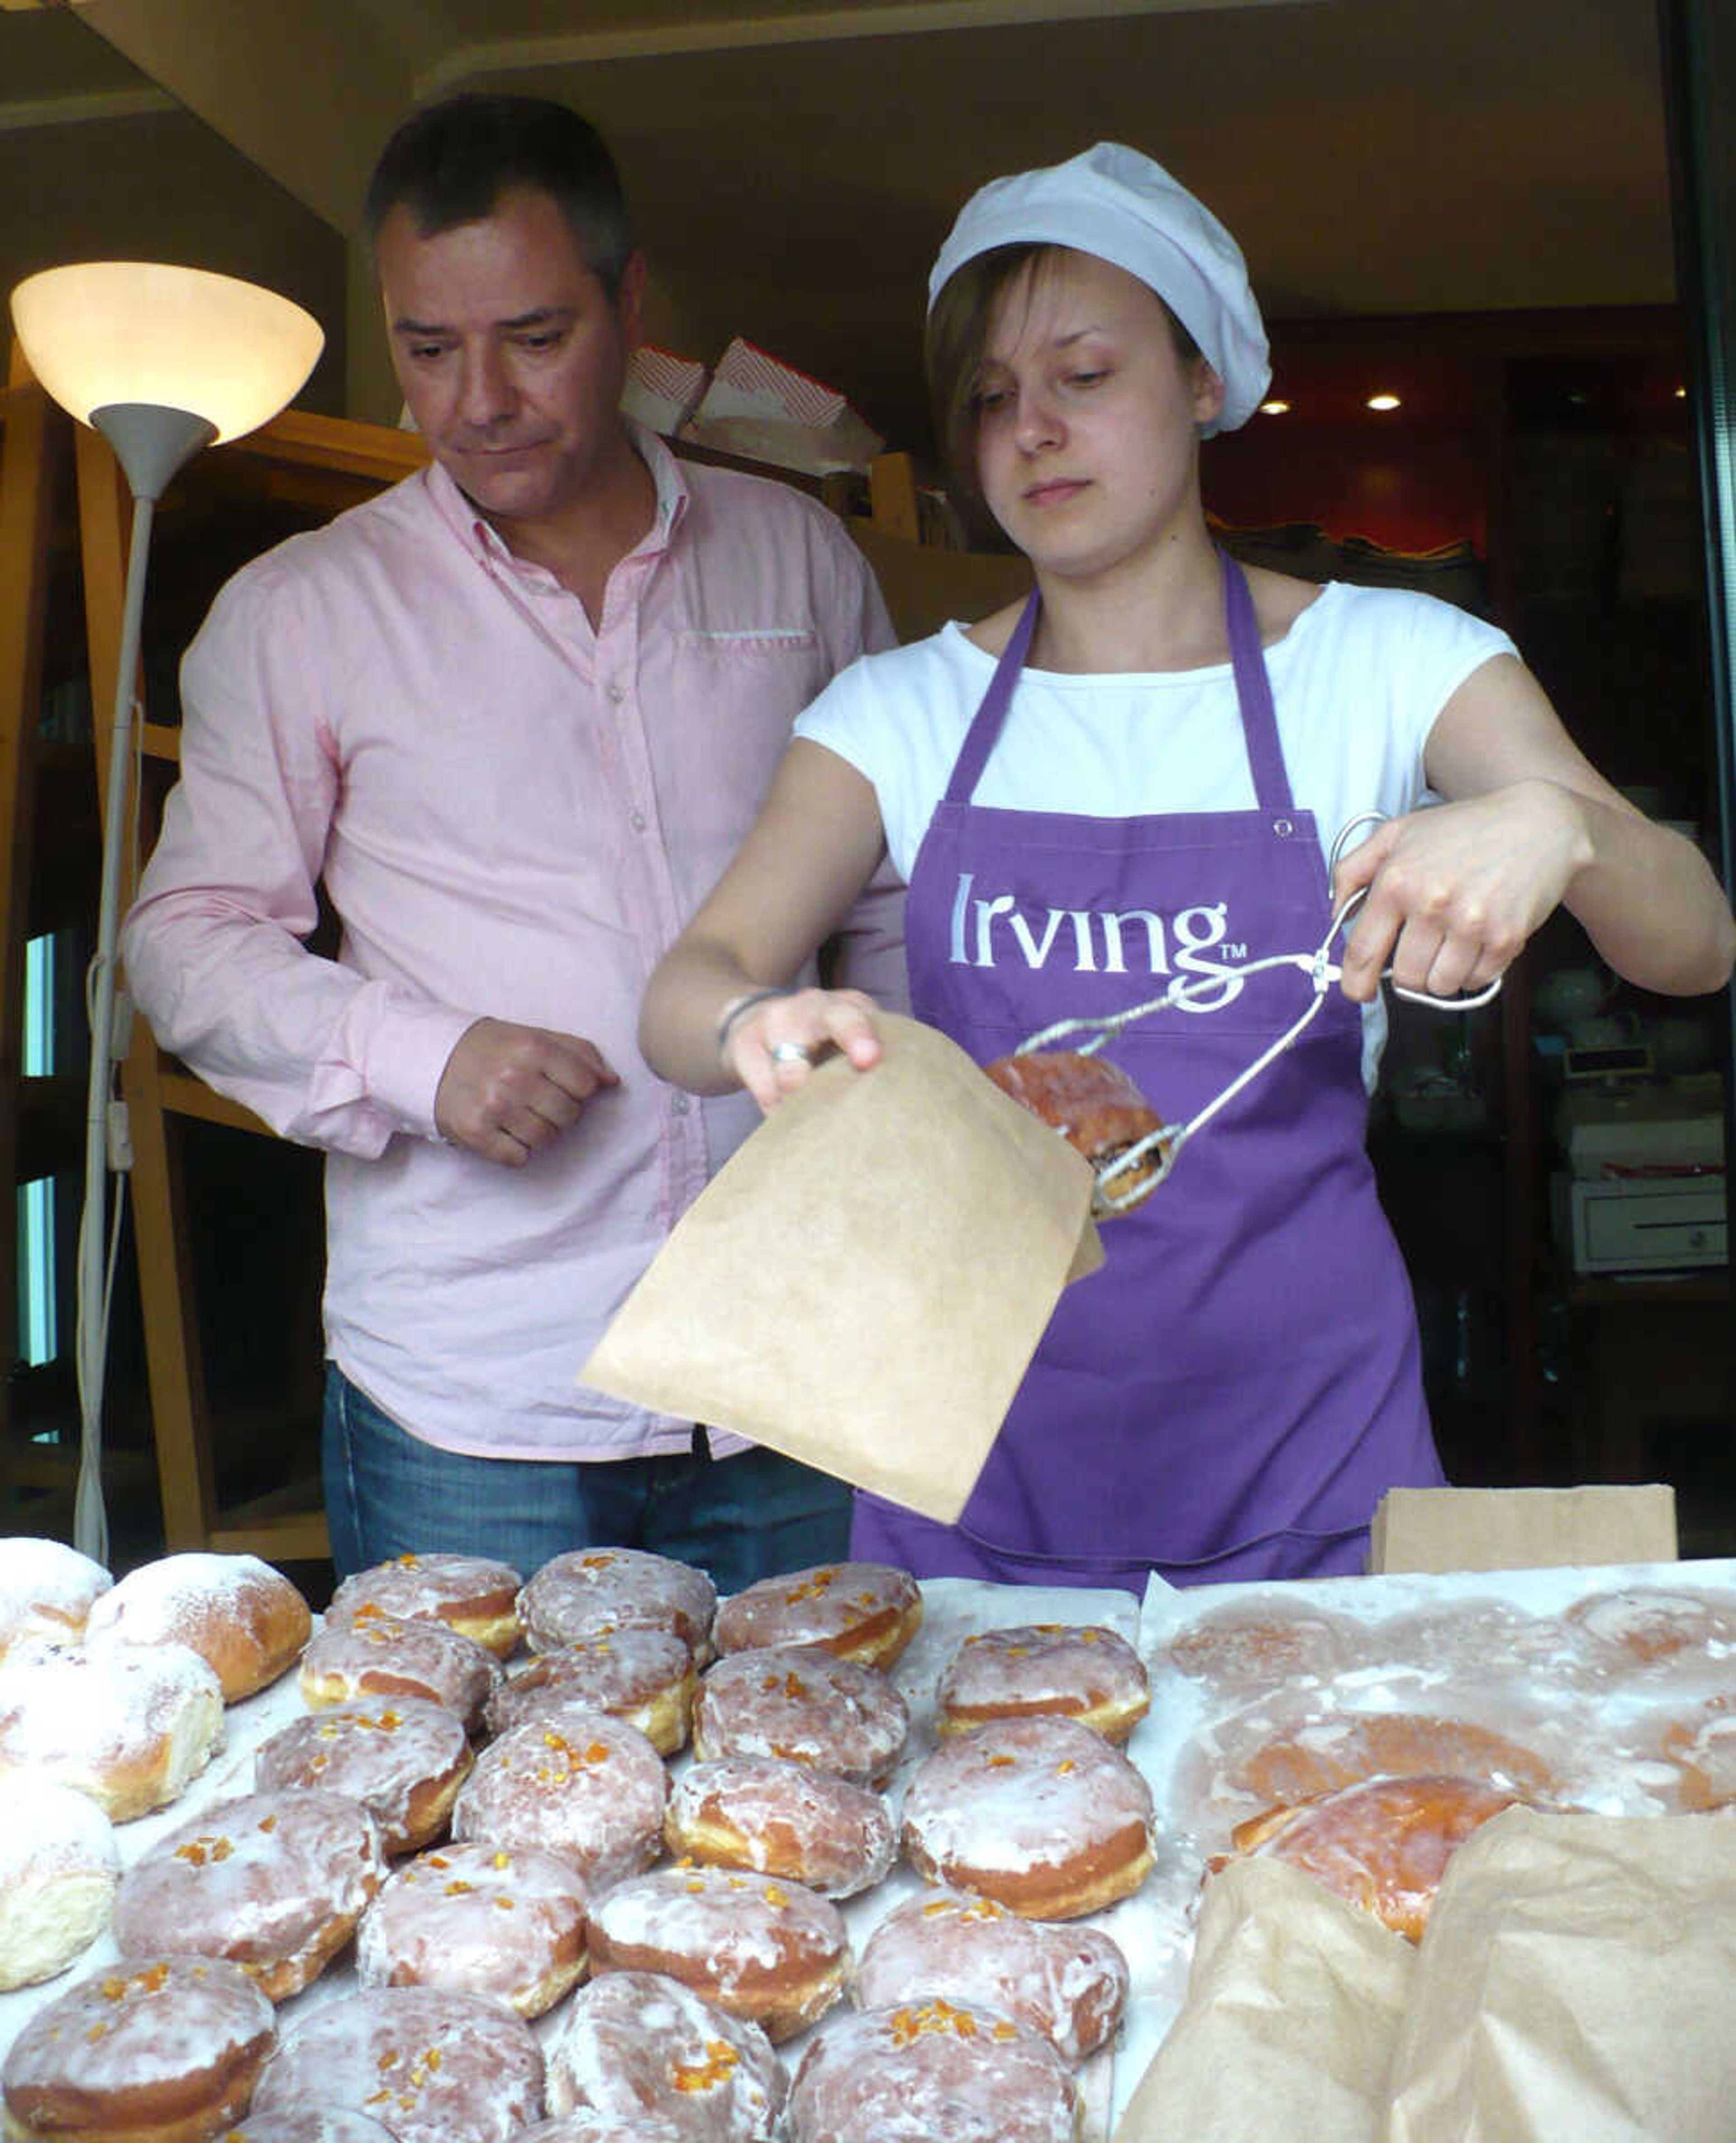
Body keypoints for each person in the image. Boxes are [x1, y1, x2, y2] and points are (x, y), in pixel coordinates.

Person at [639, 142, 1736, 1590]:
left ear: (1205, 380)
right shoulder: (900, 717)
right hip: (976, 1456)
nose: (1032, 430)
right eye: (990, 399)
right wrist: (748, 1024)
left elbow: (1696, 943)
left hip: (1311, 1451)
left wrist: (1567, 825)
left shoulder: (1397, 664)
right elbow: (682, 993)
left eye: (1083, 376)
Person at [119, 93, 905, 1590]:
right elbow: (186, 938)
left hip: (793, 1366)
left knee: (814, 1803)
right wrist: (425, 1054)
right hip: (475, 1400)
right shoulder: (304, 614)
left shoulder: (799, 559)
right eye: (427, 348)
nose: (477, 398)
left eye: (534, 337)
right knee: (470, 1818)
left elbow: (888, 907)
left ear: (629, 306)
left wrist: (910, 1145)